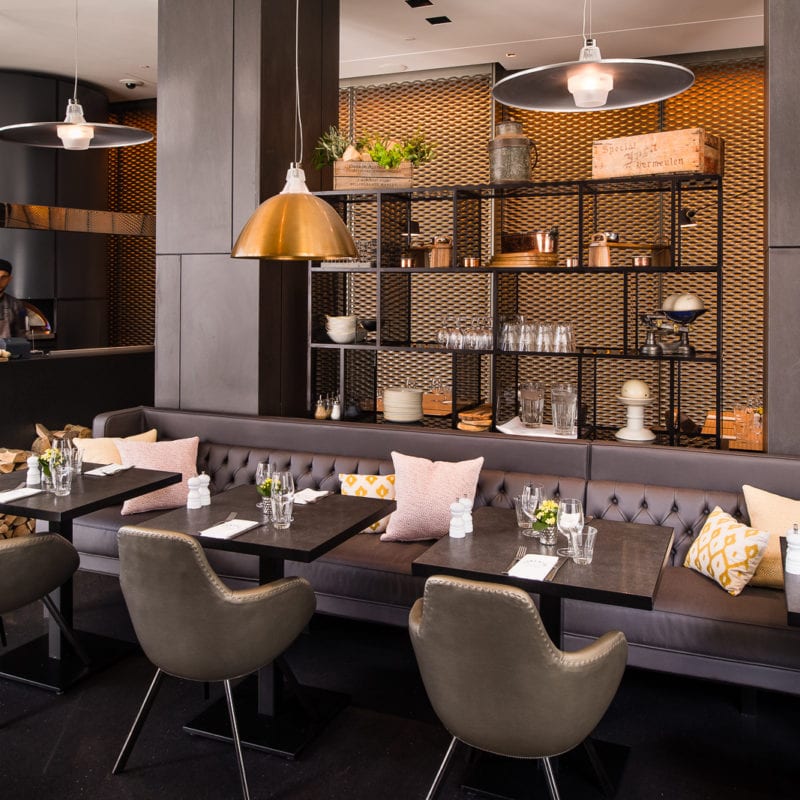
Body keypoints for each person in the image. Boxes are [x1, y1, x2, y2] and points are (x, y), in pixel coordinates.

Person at [0, 259, 27, 340]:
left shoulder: (17, 305)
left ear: (9, 279)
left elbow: (21, 337)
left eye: (3, 277)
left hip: (8, 351)